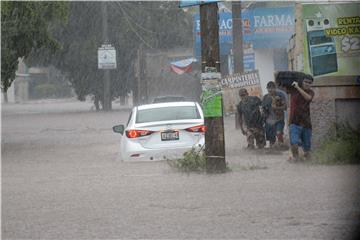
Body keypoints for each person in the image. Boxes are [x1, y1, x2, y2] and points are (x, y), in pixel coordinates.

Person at [288, 74, 315, 161]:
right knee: (294, 143)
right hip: (294, 122)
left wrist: (298, 88)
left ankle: (307, 164)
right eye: (305, 82)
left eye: (309, 83)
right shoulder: (293, 90)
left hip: (306, 123)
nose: (307, 84)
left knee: (307, 150)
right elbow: (279, 84)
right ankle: (296, 160)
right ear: (301, 82)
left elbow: (308, 98)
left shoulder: (311, 92)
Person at [262, 81, 287, 148]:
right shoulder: (265, 97)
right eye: (269, 88)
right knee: (271, 141)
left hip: (279, 119)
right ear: (267, 89)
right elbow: (263, 110)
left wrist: (277, 108)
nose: (270, 90)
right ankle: (273, 153)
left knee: (279, 133)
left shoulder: (280, 95)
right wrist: (264, 120)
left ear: (275, 88)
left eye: (272, 88)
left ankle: (282, 147)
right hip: (269, 121)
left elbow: (285, 107)